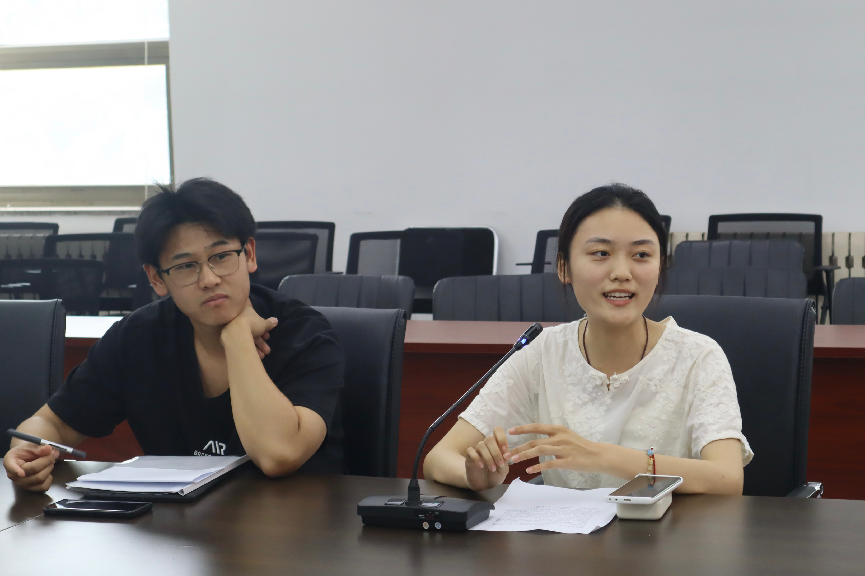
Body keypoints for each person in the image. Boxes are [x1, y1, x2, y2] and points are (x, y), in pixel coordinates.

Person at [4, 178, 344, 492]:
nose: (209, 279)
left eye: (221, 256)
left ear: (250, 255)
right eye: (185, 266)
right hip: (180, 526)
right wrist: (27, 452)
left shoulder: (304, 333)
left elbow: (278, 456)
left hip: (295, 526)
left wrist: (237, 338)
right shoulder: (137, 337)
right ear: (156, 279)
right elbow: (52, 422)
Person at [424, 184, 753, 494]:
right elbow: (439, 458)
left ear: (660, 267)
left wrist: (602, 456)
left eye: (641, 255)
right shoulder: (542, 353)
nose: (622, 272)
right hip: (564, 536)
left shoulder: (698, 356)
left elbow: (727, 478)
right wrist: (475, 476)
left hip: (668, 532)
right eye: (600, 253)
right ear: (564, 267)